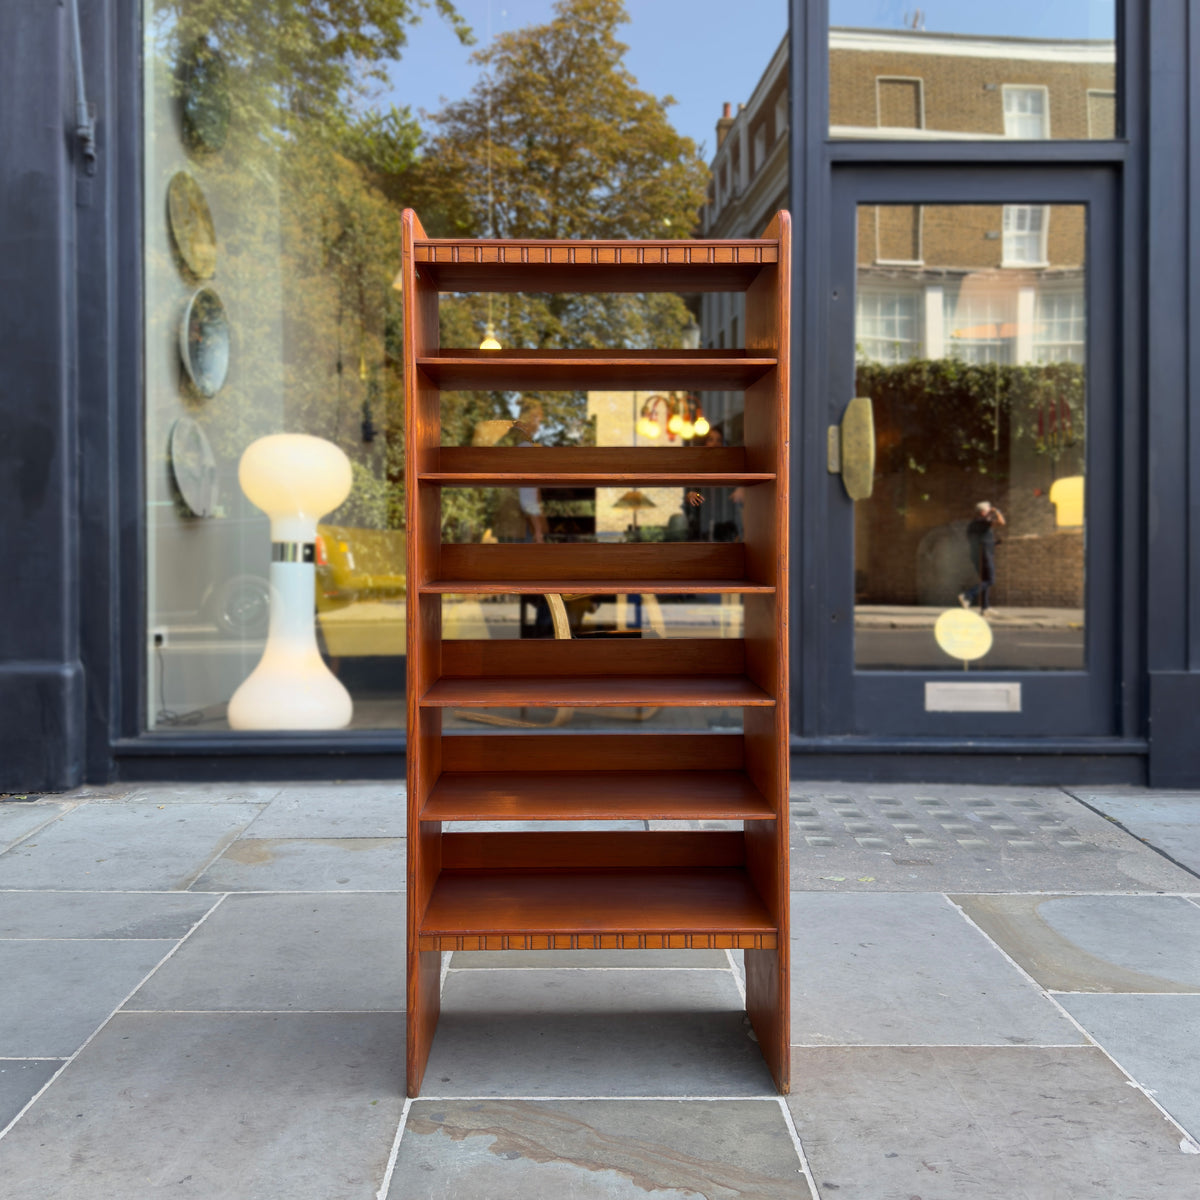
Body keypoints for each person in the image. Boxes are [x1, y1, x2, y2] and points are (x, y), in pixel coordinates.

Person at [959, 500, 1005, 616]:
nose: (991, 512)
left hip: (977, 554)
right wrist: (997, 511)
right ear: (983, 512)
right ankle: (967, 595)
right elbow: (1002, 522)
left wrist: (993, 544)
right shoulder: (983, 521)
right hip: (984, 555)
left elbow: (977, 540)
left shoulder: (974, 523)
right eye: (989, 510)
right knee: (990, 580)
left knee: (985, 580)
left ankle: (985, 608)